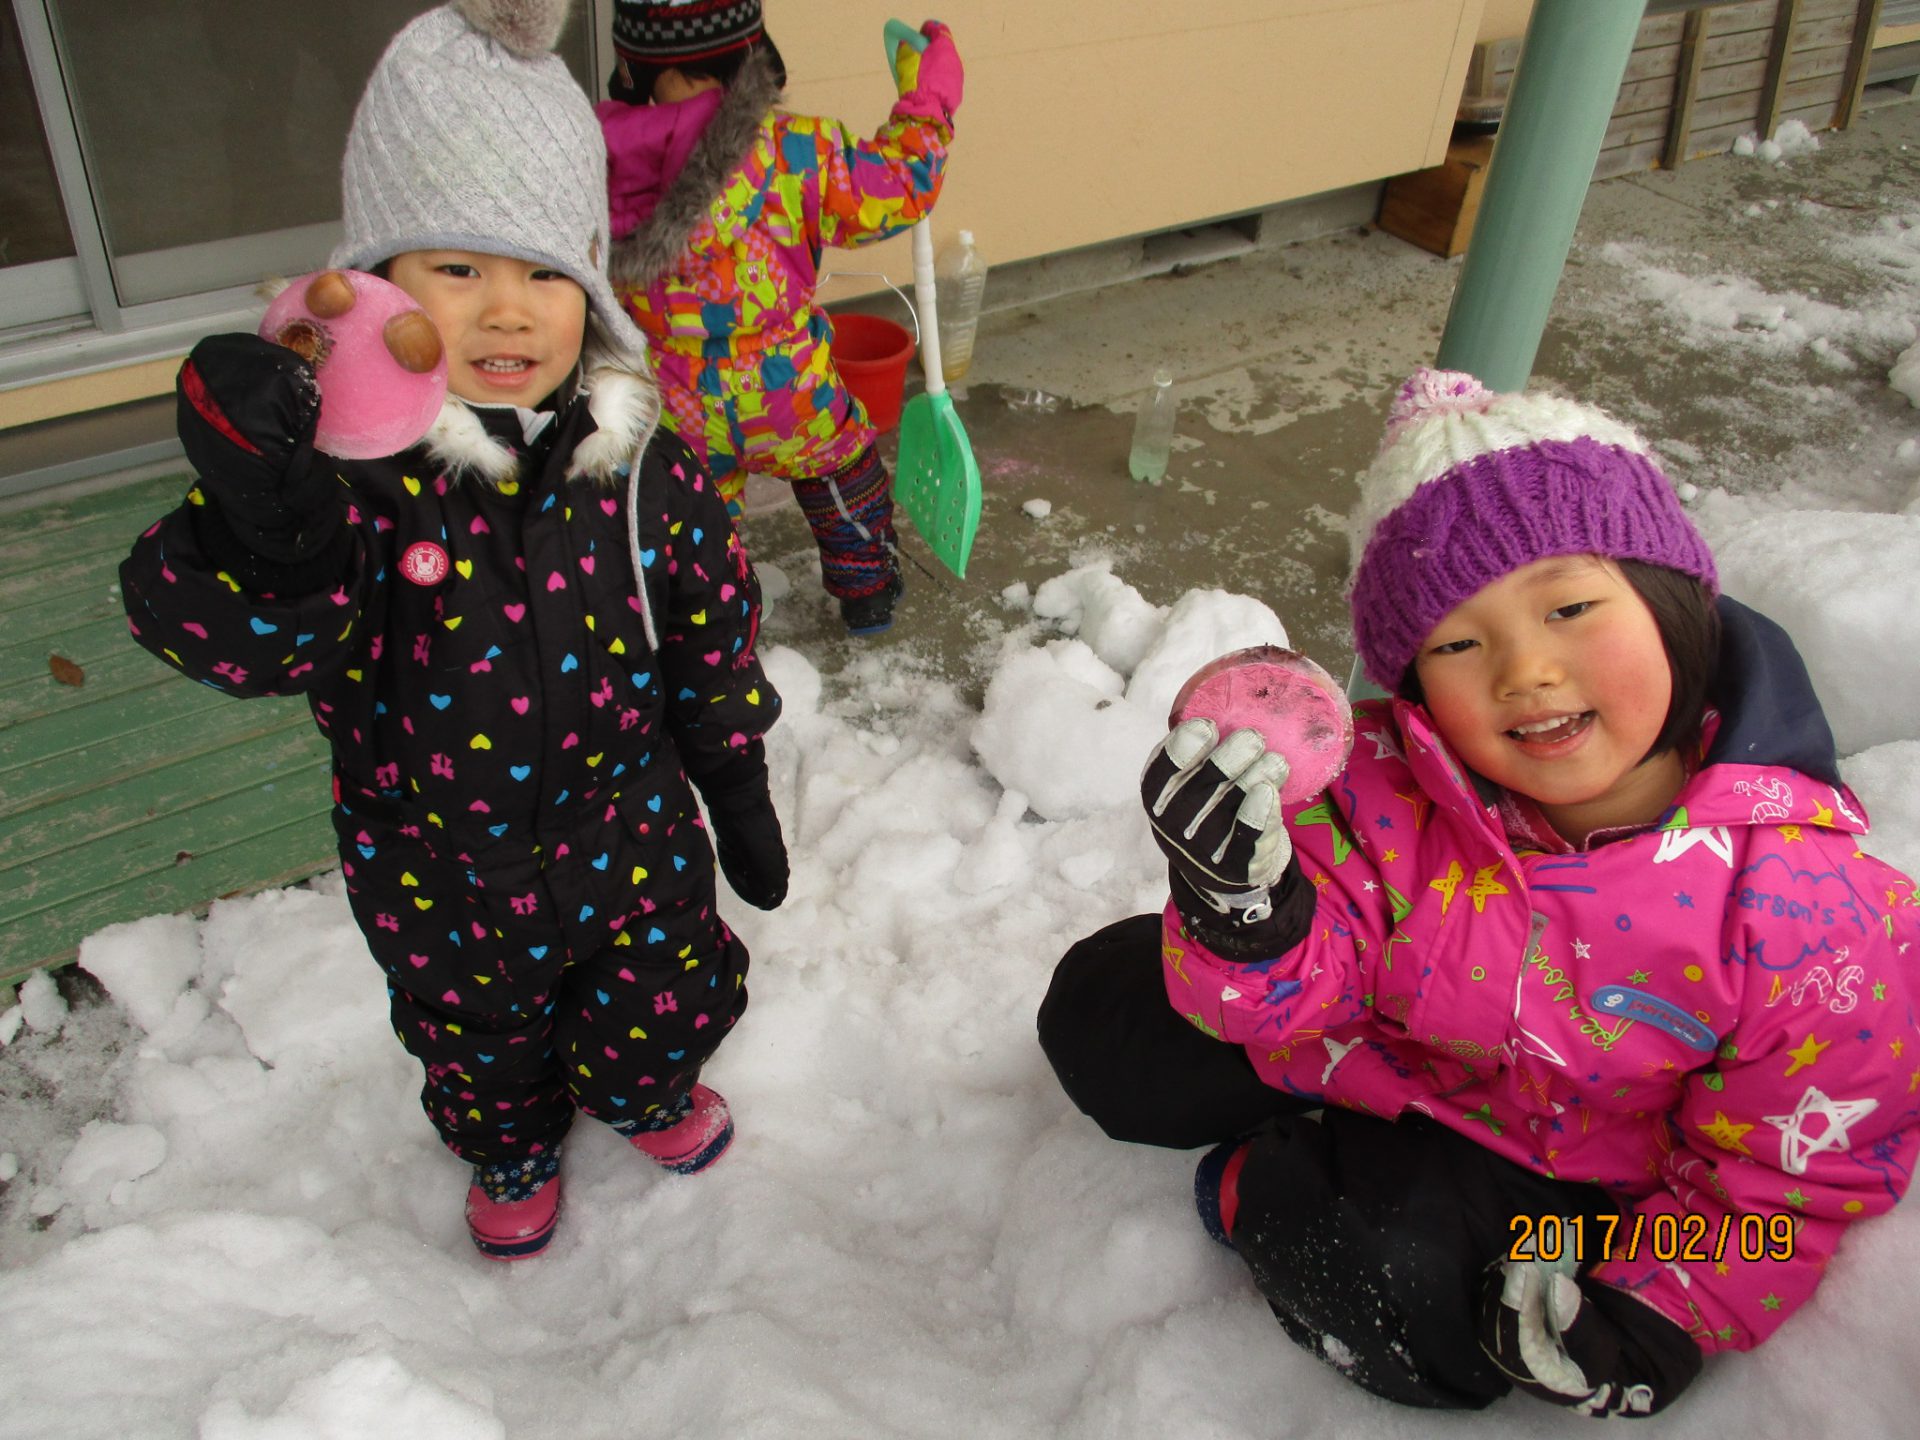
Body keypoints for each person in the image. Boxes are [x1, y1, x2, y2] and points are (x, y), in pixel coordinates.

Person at [1037, 367, 1920, 1416]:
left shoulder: (1817, 916)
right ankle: (1313, 1149)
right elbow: (1293, 991)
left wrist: (1661, 1311)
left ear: (1676, 603)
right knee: (1105, 1008)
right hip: (1364, 1055)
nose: (1524, 670)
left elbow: (1785, 1190)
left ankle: (1269, 1188)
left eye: (1570, 607)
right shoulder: (1380, 782)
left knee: (1403, 1275)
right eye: (1457, 642)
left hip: (1562, 1188)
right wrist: (1248, 916)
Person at [119, 0, 788, 1262]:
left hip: (632, 829)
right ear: (379, 289)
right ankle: (512, 1147)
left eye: (546, 273)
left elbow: (711, 629)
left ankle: (647, 1093)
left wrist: (734, 772)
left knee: (659, 991)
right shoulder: (351, 489)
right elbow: (240, 639)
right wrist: (265, 530)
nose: (509, 312)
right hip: (438, 863)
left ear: (591, 289)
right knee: (477, 1034)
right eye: (461, 271)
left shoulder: (646, 467)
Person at [597, 1, 963, 636]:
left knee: (694, 510)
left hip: (670, 393)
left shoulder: (599, 156)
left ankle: (705, 616)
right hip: (786, 385)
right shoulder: (796, 149)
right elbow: (900, 185)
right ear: (752, 49)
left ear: (635, 64)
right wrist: (927, 100)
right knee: (841, 465)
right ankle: (868, 591)